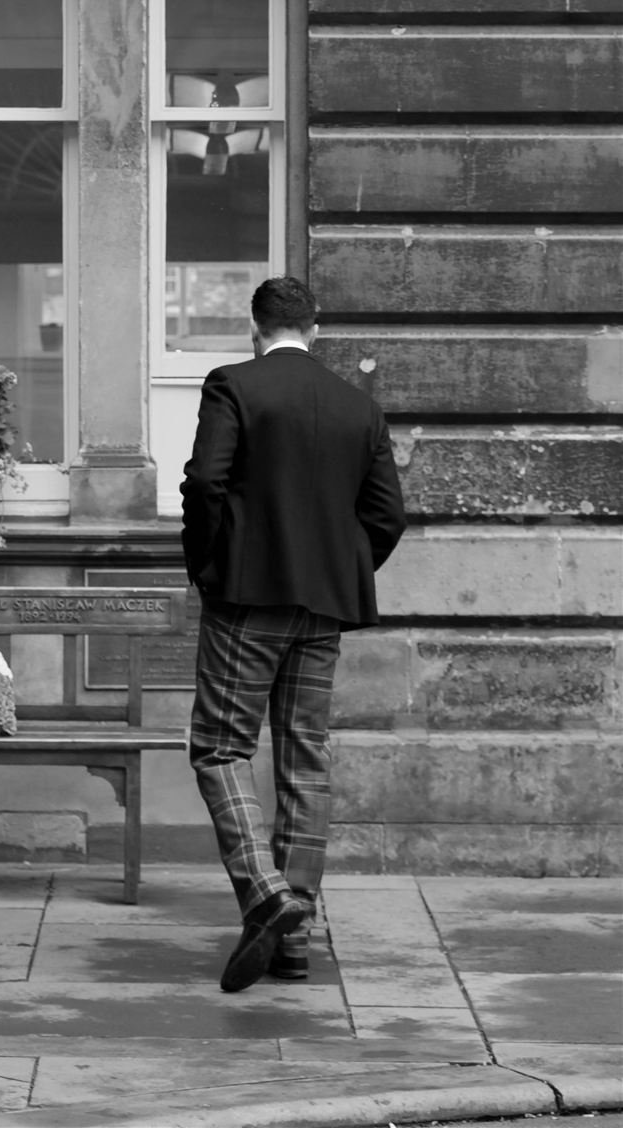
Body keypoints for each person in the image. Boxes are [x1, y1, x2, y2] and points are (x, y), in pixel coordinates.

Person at [180, 275, 406, 993]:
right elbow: (385, 516)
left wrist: (207, 566)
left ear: (255, 325)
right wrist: (338, 570)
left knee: (219, 748)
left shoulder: (233, 385)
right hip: (322, 606)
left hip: (245, 598)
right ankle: (295, 935)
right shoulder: (357, 405)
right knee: (305, 759)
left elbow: (204, 483)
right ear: (316, 326)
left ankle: (265, 890)